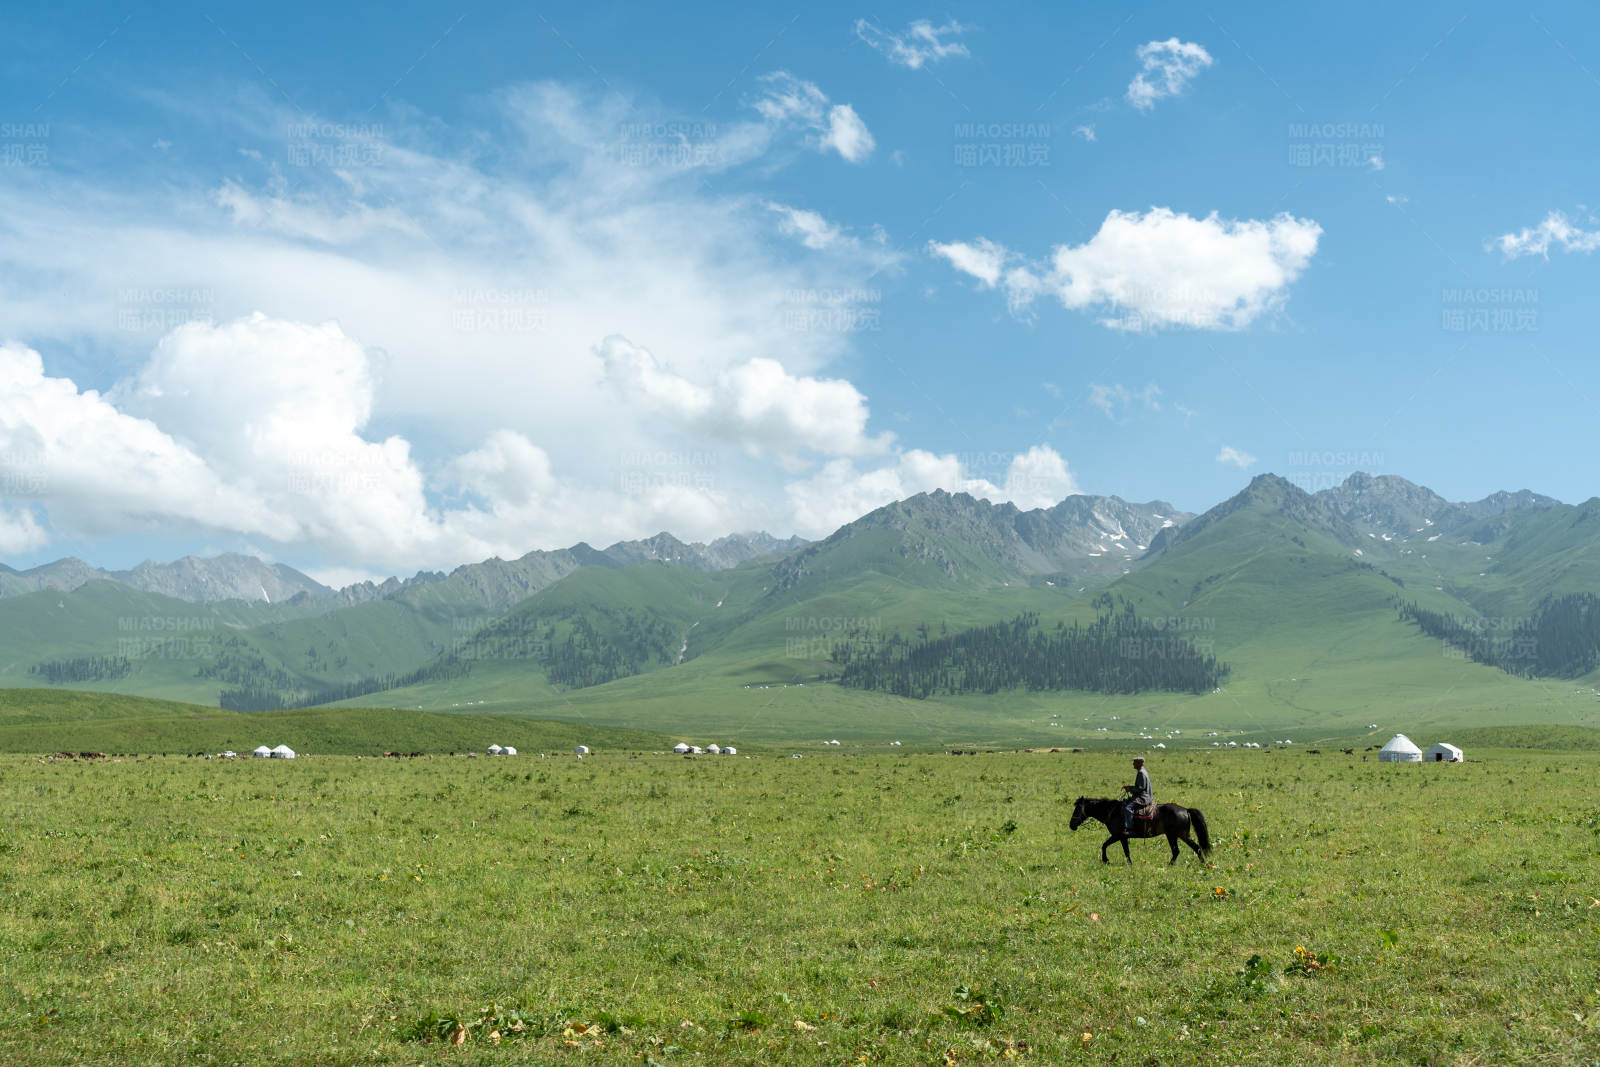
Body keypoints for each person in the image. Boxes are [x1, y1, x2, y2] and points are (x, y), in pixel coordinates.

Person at [1122, 756, 1152, 834]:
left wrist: (1129, 789)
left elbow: (1140, 788)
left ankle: (1130, 828)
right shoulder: (1142, 771)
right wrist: (1130, 787)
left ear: (1139, 763)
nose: (1133, 764)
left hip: (1143, 797)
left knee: (1127, 808)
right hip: (1144, 794)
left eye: (1134, 762)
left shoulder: (1141, 773)